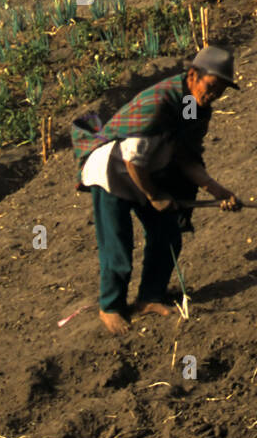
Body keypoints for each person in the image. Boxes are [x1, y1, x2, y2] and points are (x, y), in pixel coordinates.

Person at [71, 46, 242, 335]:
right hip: (113, 173)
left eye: (221, 91)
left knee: (167, 234)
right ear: (192, 76)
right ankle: (110, 306)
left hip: (146, 171)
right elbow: (132, 159)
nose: (214, 95)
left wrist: (218, 191)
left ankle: (149, 297)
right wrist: (155, 196)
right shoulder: (160, 103)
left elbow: (185, 156)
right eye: (211, 87)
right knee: (118, 245)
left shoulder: (192, 106)